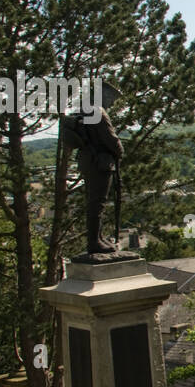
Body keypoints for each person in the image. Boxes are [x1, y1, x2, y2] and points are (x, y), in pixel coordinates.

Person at [62, 79, 124, 255]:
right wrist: (120, 151)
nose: (111, 102)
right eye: (111, 98)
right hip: (100, 163)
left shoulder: (85, 108)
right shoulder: (97, 111)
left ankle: (98, 238)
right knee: (97, 203)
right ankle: (94, 241)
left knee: (95, 202)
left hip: (88, 160)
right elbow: (111, 139)